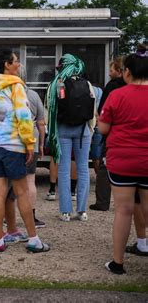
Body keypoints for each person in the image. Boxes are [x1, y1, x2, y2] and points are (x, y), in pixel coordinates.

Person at [0, 49, 50, 253]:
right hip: (13, 146)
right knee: (21, 193)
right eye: (15, 61)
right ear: (7, 65)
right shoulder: (16, 87)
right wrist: (29, 144)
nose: (19, 64)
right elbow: (23, 116)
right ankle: (34, 240)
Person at [98, 44, 148, 274]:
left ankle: (117, 263)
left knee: (123, 210)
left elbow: (103, 128)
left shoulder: (117, 95)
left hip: (122, 160)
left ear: (127, 71)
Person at [46, 54, 96, 222]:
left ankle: (65, 211)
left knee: (64, 169)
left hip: (63, 129)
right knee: (83, 169)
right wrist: (91, 128)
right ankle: (81, 211)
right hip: (83, 131)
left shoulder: (56, 85)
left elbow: (50, 109)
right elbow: (92, 110)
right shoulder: (87, 84)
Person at [90, 57, 126, 211]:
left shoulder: (111, 87)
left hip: (113, 132)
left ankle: (102, 201)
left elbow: (103, 110)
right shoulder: (132, 87)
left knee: (106, 166)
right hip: (131, 133)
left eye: (111, 70)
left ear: (119, 71)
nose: (109, 73)